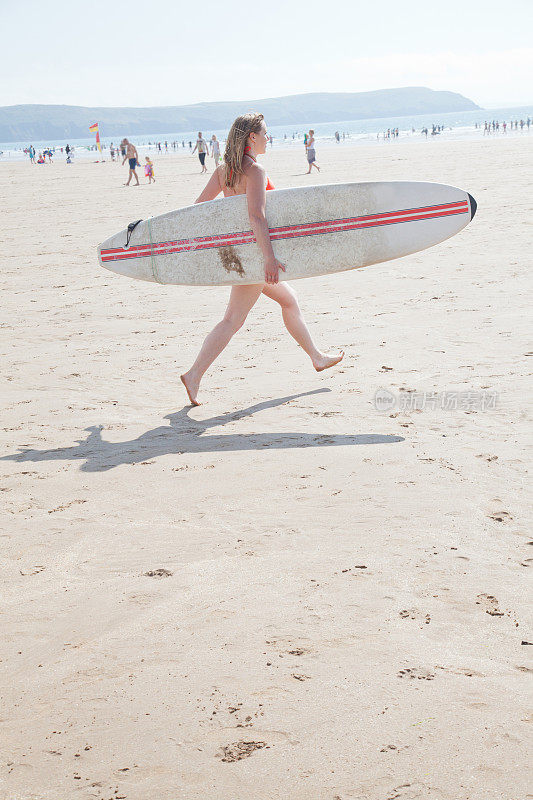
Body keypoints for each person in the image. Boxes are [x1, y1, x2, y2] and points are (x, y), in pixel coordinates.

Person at [180, 112, 343, 406]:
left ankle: (316, 357)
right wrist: (268, 258)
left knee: (289, 300)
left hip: (238, 254)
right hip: (255, 256)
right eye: (265, 133)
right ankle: (193, 375)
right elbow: (257, 215)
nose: (269, 138)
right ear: (252, 137)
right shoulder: (255, 171)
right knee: (232, 319)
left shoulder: (223, 171)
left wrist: (225, 242)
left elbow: (198, 210)